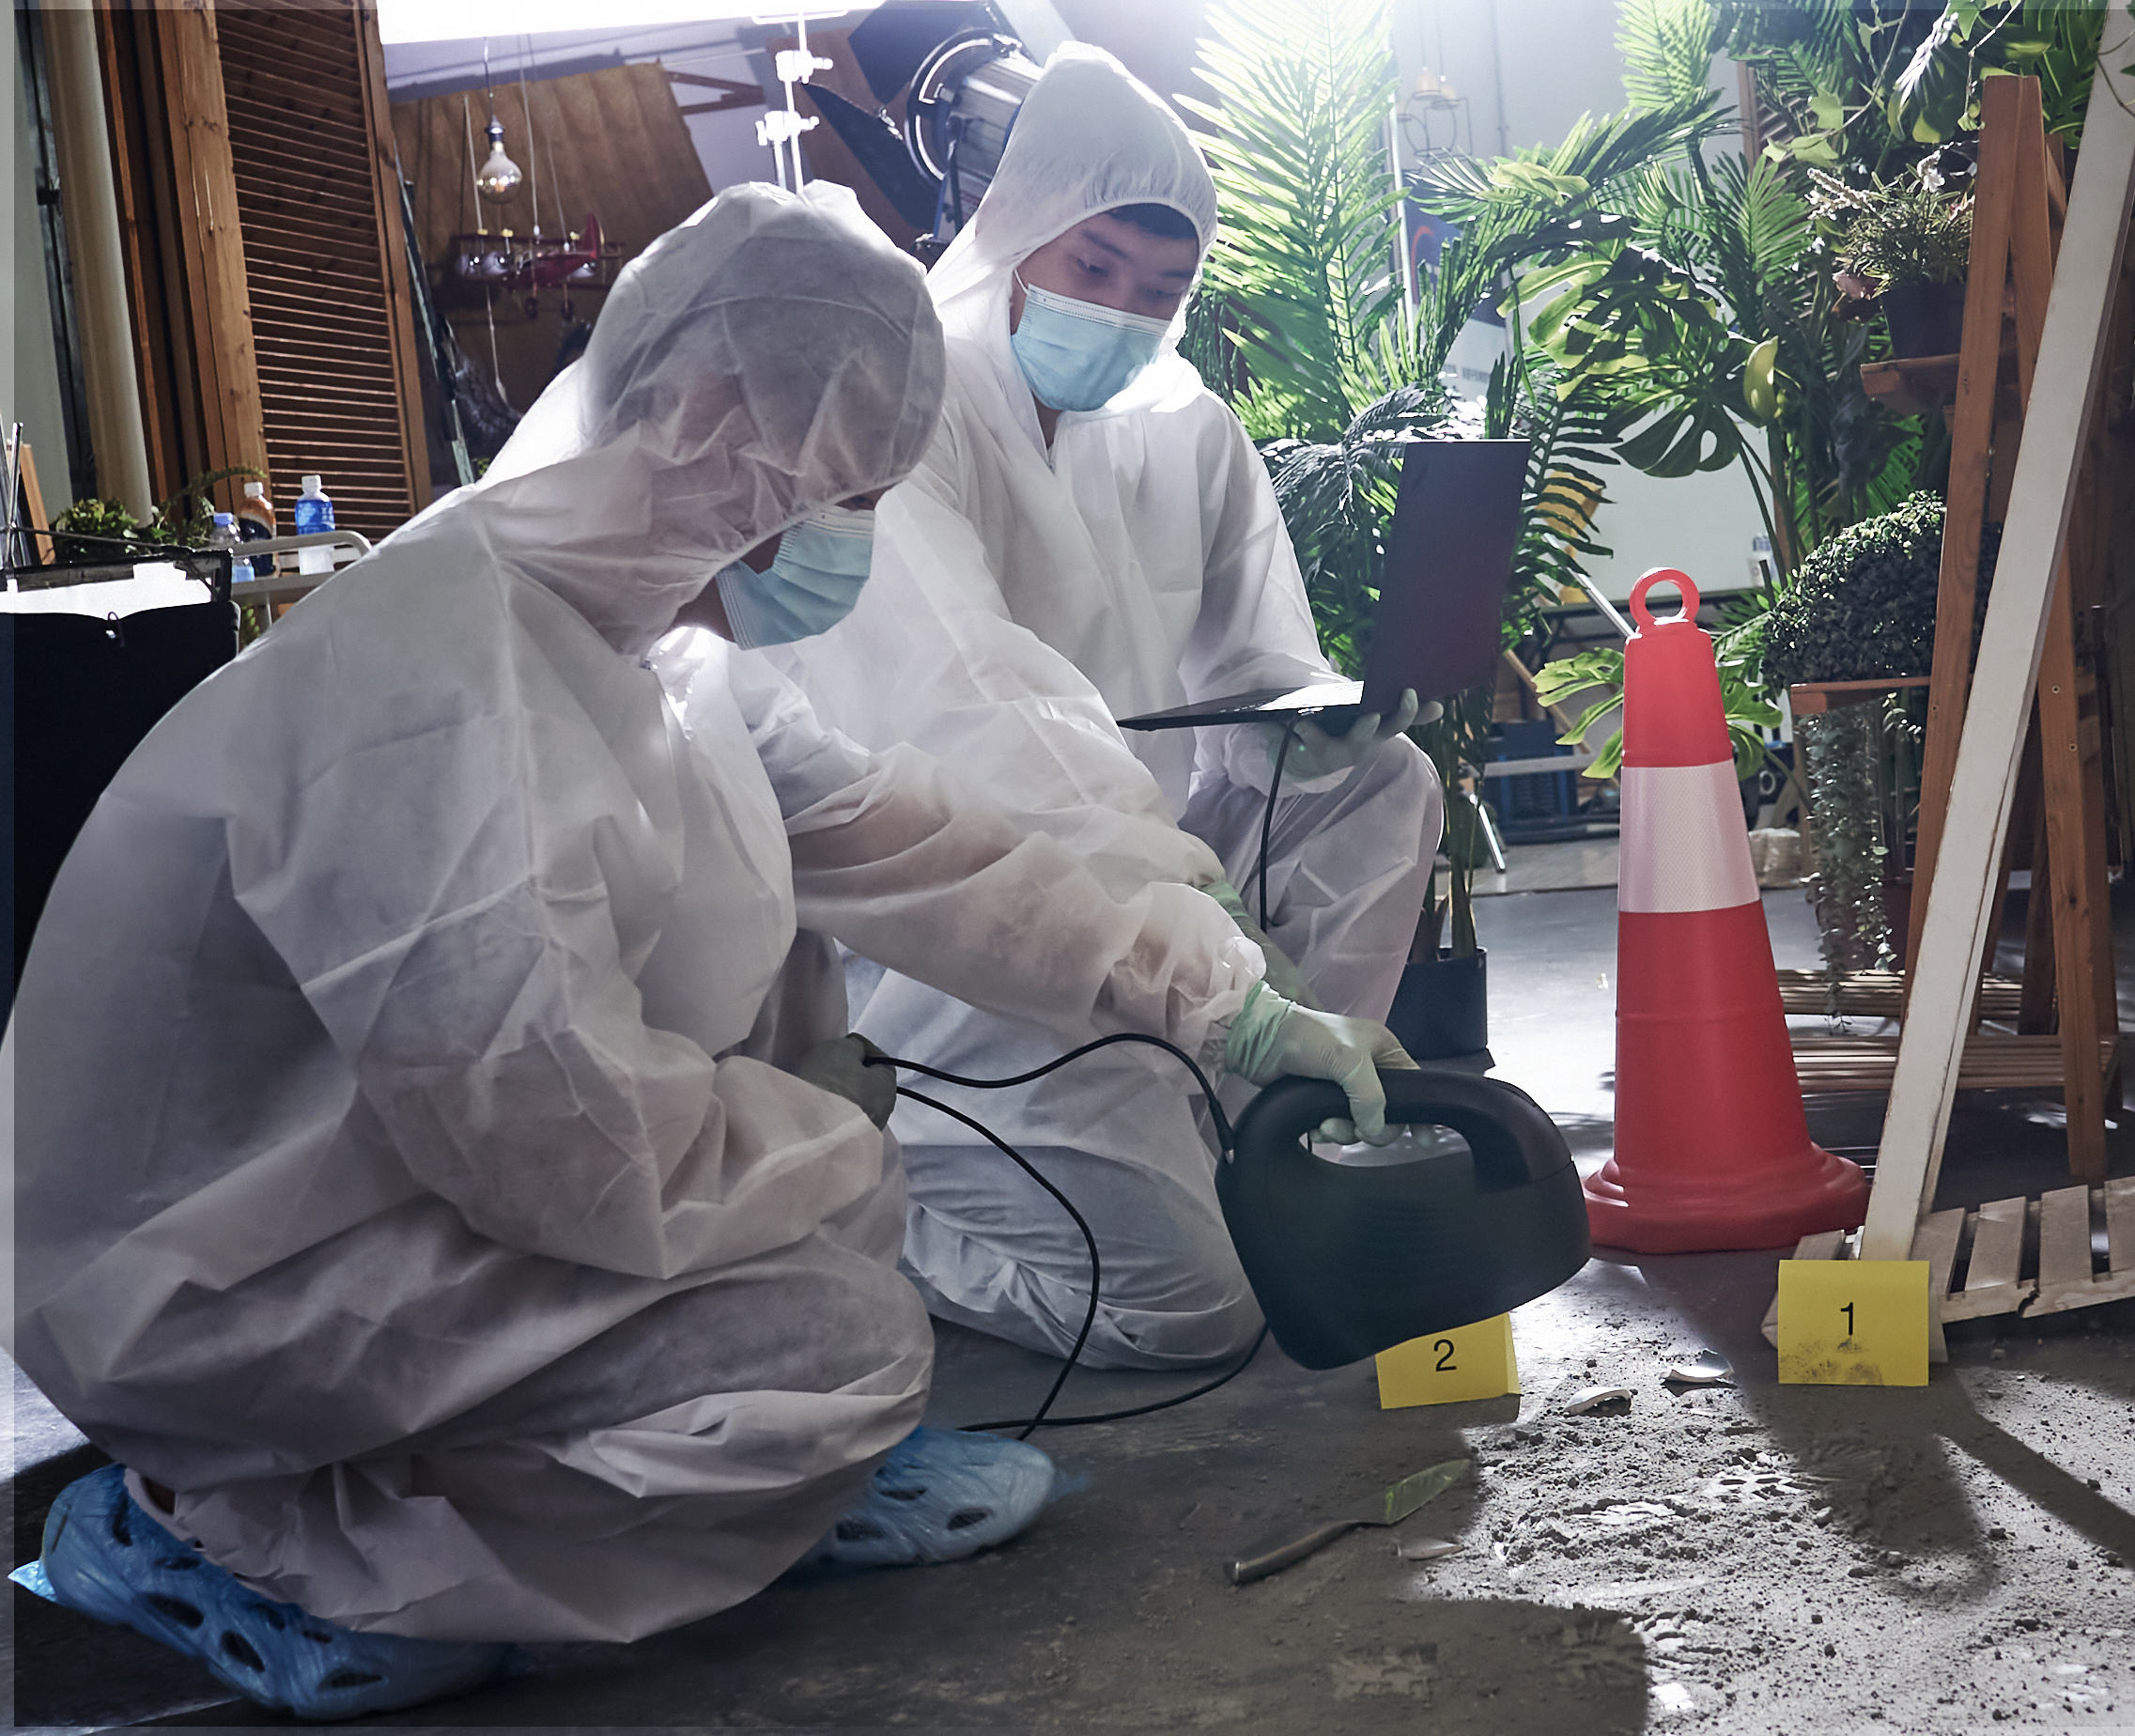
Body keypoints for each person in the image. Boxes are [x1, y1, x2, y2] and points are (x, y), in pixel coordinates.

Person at [5, 181, 1403, 1721]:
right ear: (710, 425)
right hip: (233, 1278)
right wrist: (826, 1138)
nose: (855, 541)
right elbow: (548, 1134)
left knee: (823, 1287)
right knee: (833, 1353)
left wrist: (1228, 1002)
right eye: (847, 494)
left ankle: (565, 1509)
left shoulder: (664, 649)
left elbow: (925, 850)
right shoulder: (436, 680)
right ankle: (215, 1524)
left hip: (407, 1199)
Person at [767, 46, 1441, 1374]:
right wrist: (1197, 934)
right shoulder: (911, 404)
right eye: (1096, 267)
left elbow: (1257, 666)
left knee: (1389, 779)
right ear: (1018, 230)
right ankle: (854, 1196)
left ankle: (1289, 1103)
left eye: (1160, 290)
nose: (1124, 313)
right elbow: (973, 719)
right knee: (1191, 1311)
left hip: (1161, 893)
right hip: (969, 916)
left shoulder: (1184, 425)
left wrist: (1319, 731)